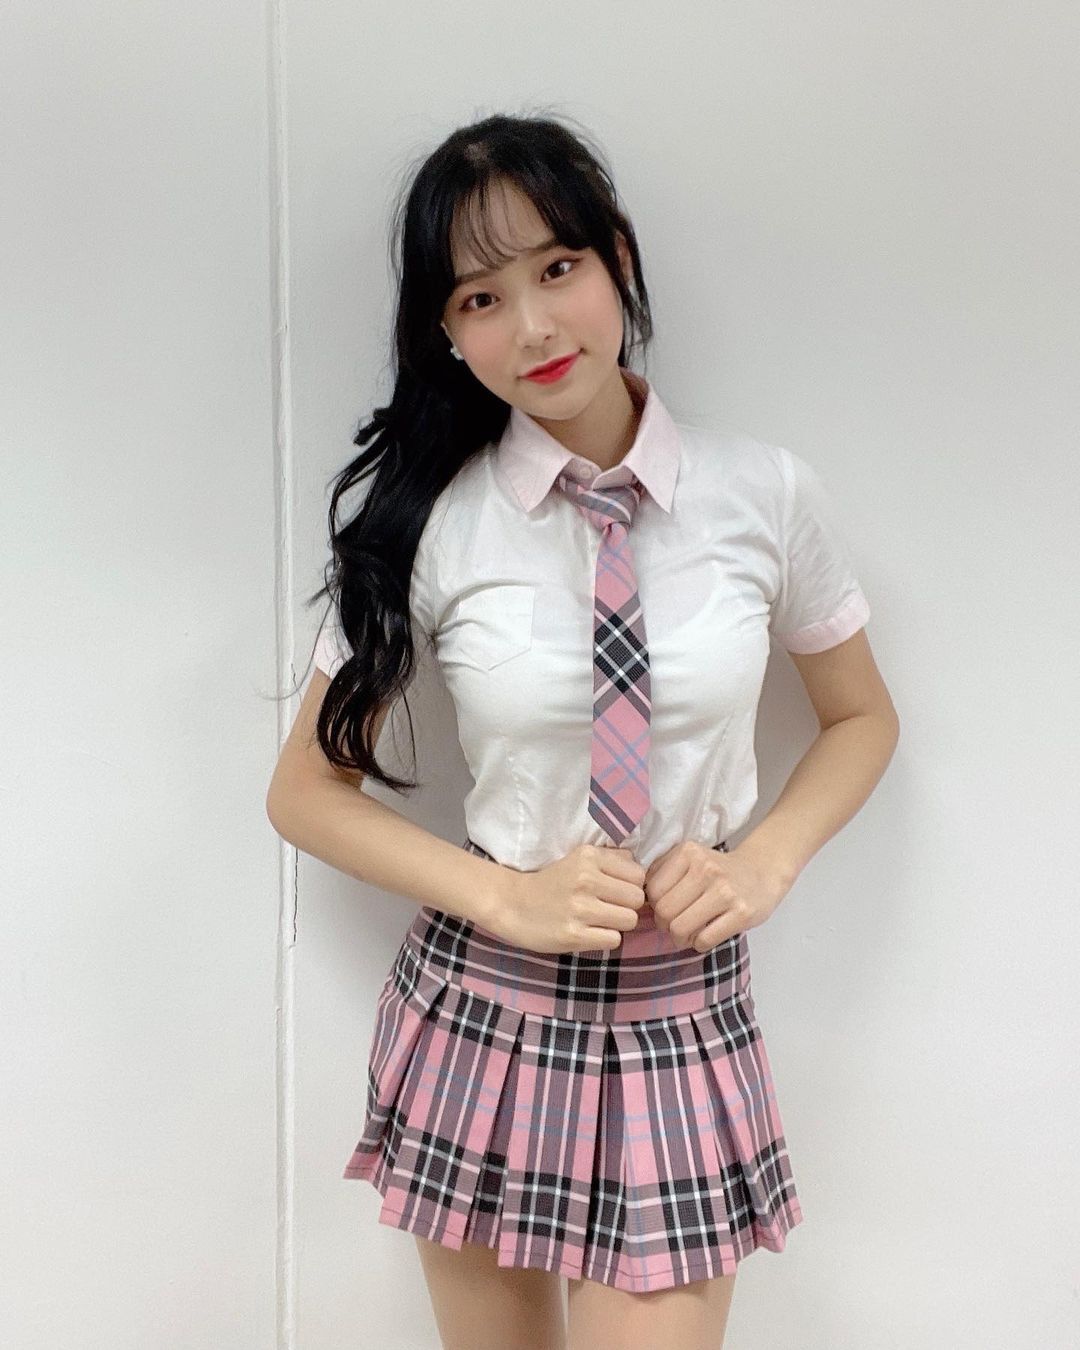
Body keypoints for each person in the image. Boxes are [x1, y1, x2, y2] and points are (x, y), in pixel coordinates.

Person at [266, 111, 900, 1350]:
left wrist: (765, 862)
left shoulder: (763, 493)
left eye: (558, 269)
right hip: (484, 1014)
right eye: (481, 298)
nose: (535, 328)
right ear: (448, 333)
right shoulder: (429, 523)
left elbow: (862, 715)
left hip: (680, 1014)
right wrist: (503, 898)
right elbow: (303, 792)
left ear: (619, 259)